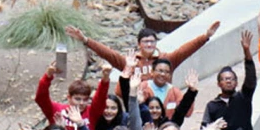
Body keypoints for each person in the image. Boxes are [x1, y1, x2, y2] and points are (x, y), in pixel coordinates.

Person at [66, 22, 219, 91]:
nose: (149, 45)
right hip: (136, 104)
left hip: (161, 104)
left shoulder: (166, 60)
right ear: (139, 44)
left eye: (152, 42)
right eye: (145, 42)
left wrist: (205, 37)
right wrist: (86, 40)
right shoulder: (131, 62)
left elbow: (185, 50)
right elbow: (108, 53)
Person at [35, 61, 110, 130]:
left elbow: (101, 98)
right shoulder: (58, 110)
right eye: (77, 99)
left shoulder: (91, 112)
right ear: (69, 98)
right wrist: (48, 76)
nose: (81, 103)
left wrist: (105, 79)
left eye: (85, 99)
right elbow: (41, 98)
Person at [203, 30, 258, 130]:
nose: (228, 81)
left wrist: (247, 52)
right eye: (225, 79)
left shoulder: (243, 97)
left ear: (236, 83)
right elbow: (204, 129)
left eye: (231, 79)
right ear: (219, 83)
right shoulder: (212, 106)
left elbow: (251, 78)